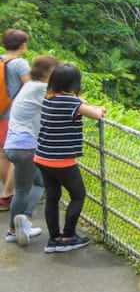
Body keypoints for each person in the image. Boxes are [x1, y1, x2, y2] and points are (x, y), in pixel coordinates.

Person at [35, 63, 106, 253]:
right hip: (61, 161)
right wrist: (98, 109)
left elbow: (79, 105)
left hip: (42, 157)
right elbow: (96, 114)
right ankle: (68, 236)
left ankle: (54, 239)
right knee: (78, 195)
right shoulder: (73, 103)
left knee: (52, 197)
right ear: (75, 83)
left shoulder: (48, 98)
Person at [4, 55, 60, 244]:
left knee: (39, 183)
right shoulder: (40, 88)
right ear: (45, 72)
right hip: (25, 147)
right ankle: (13, 229)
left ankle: (23, 221)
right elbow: (68, 100)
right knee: (22, 190)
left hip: (15, 146)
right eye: (55, 70)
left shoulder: (29, 86)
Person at [0, 29, 31, 210]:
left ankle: (8, 193)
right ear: (23, 45)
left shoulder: (1, 60)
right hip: (13, 116)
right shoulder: (20, 64)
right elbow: (30, 87)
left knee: (3, 155)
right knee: (16, 158)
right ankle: (7, 196)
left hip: (0, 113)